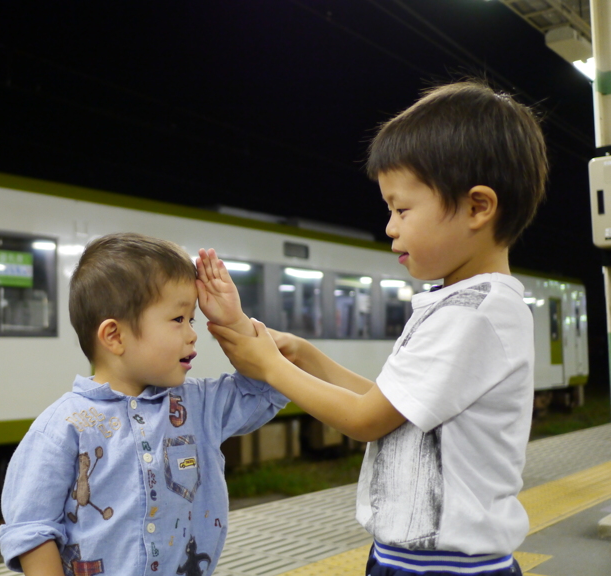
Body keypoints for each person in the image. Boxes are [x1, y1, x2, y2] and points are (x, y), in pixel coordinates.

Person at [204, 80, 546, 576]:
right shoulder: (459, 304)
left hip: (446, 569)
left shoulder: (475, 313)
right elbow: (393, 407)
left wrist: (272, 367)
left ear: (477, 207)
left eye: (402, 209)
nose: (390, 226)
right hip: (407, 558)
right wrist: (305, 356)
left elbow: (367, 420)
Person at [0, 232, 289, 576]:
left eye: (191, 319)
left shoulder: (200, 404)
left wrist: (234, 321)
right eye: (179, 319)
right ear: (114, 336)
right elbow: (31, 529)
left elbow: (270, 383)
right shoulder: (63, 426)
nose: (194, 333)